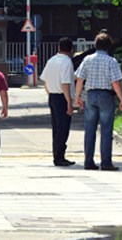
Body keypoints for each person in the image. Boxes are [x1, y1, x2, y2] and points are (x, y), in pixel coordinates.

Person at [75, 32, 122, 171]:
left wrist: (77, 97)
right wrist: (121, 99)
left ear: (95, 45)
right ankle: (106, 162)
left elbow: (80, 79)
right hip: (105, 96)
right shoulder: (111, 61)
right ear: (108, 46)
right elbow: (115, 82)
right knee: (106, 130)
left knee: (89, 130)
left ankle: (88, 161)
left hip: (90, 95)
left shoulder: (87, 60)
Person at [40, 37, 75, 167]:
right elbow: (65, 83)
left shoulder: (51, 60)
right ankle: (60, 156)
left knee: (56, 128)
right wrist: (69, 103)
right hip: (62, 97)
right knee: (63, 128)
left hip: (53, 96)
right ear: (71, 49)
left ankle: (57, 155)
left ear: (58, 47)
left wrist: (49, 92)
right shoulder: (67, 62)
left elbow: (44, 79)